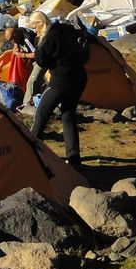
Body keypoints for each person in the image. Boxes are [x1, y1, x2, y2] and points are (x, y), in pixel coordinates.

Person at [31, 15, 92, 163]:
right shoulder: (66, 32)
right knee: (68, 115)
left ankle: (30, 148)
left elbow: (41, 60)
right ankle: (73, 157)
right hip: (78, 79)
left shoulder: (50, 38)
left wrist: (39, 44)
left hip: (62, 81)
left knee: (42, 113)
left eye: (34, 27)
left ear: (41, 24)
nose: (34, 31)